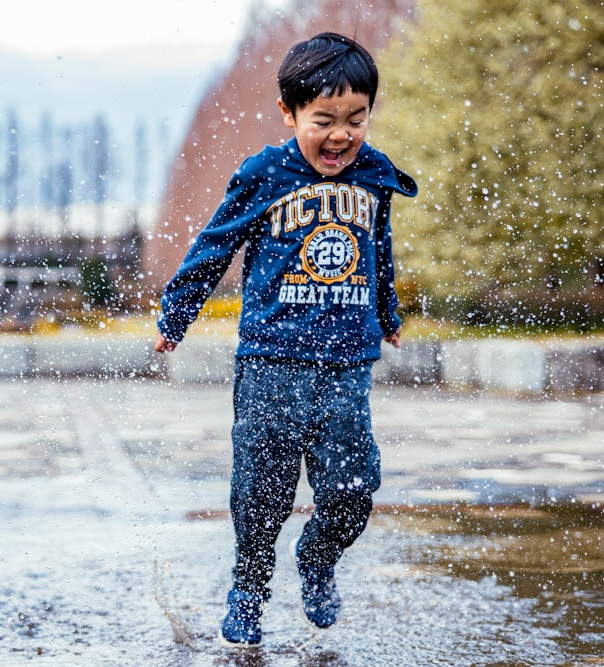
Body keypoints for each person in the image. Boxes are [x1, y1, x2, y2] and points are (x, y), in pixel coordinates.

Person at [153, 31, 417, 648]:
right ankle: (249, 583)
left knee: (355, 487)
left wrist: (387, 310)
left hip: (347, 364)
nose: (341, 135)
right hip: (271, 360)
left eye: (356, 119)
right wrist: (177, 313)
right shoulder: (264, 175)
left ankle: (318, 557)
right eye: (323, 119)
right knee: (261, 490)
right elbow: (215, 245)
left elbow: (378, 249)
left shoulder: (374, 176)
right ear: (290, 113)